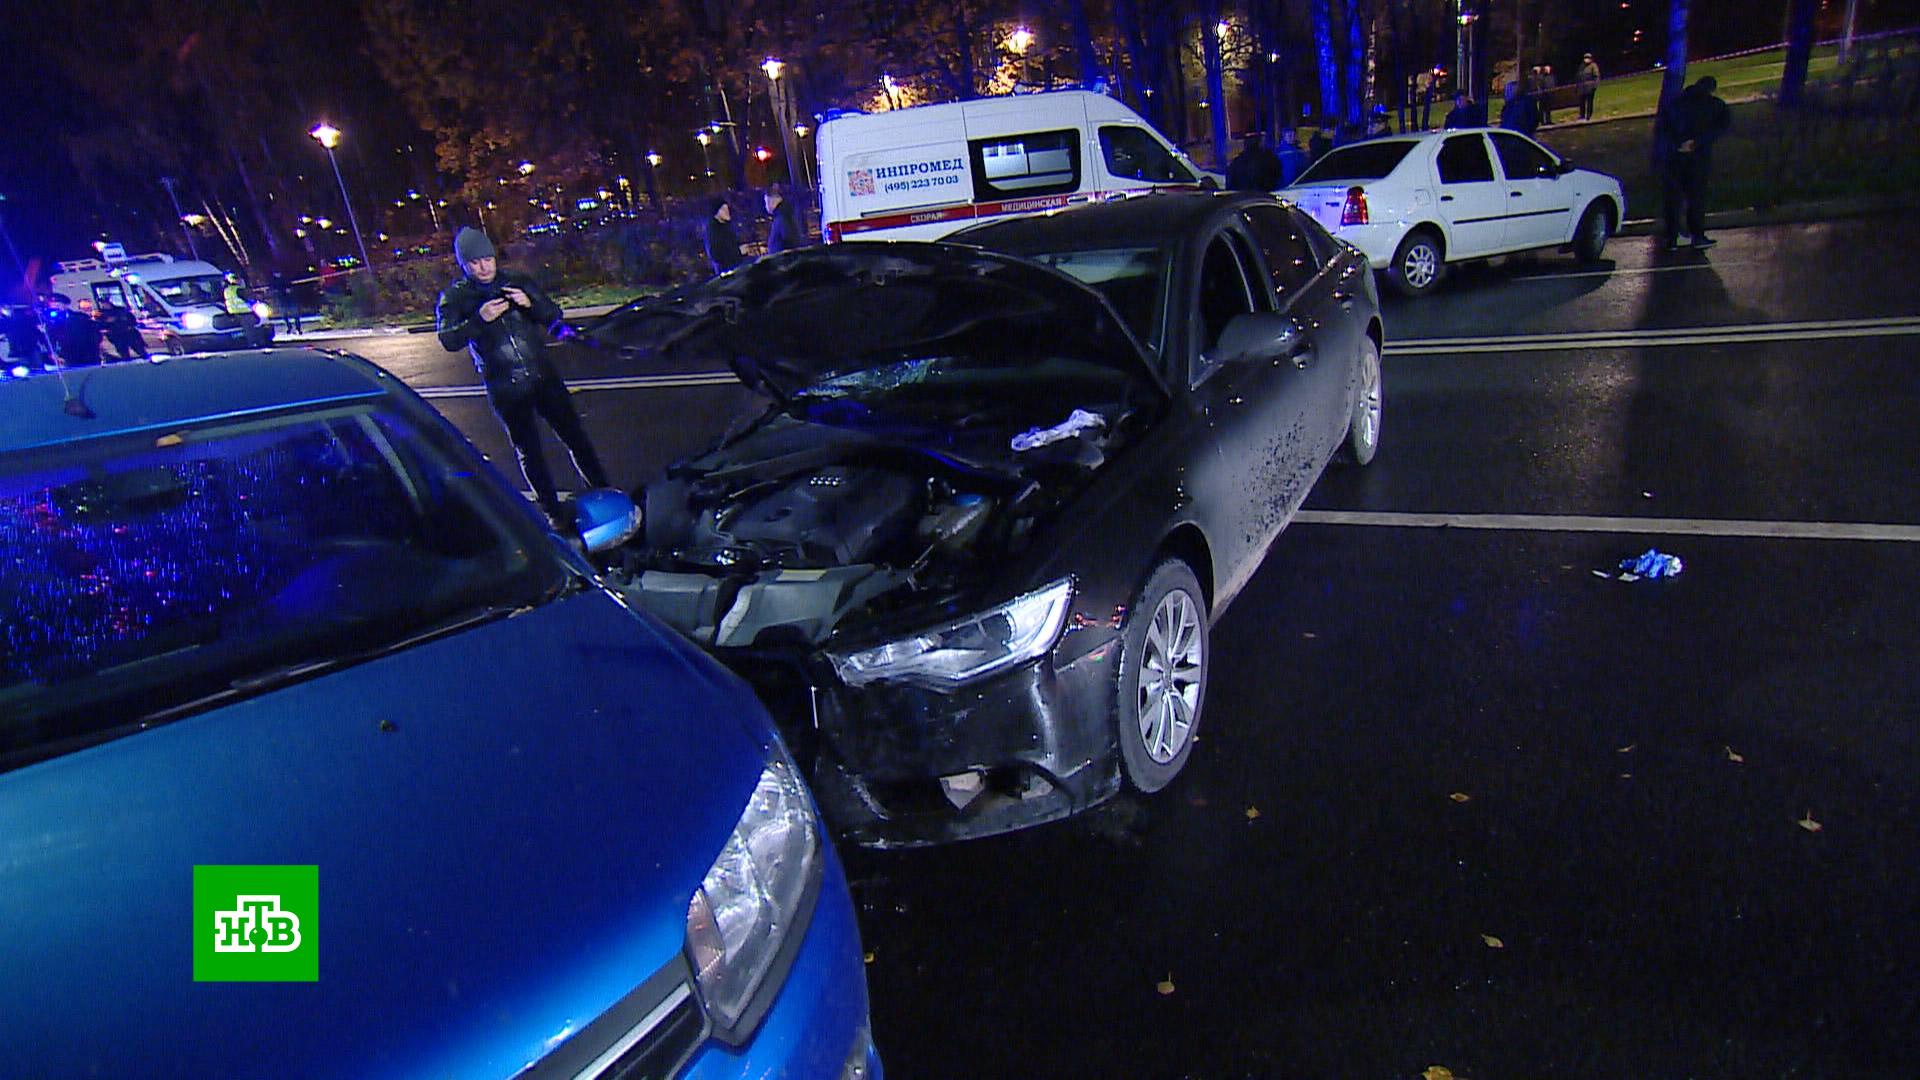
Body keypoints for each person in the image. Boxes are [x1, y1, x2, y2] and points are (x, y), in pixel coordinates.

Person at [435, 227, 609, 525]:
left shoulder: (517, 282)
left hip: (543, 375)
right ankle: (552, 512)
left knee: (575, 436)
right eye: (475, 262)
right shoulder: (456, 297)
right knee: (529, 451)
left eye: (487, 259)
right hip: (505, 386)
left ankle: (605, 493)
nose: (484, 267)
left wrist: (530, 304)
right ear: (464, 265)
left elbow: (552, 314)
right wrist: (479, 319)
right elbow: (448, 339)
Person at [1656, 75, 1732, 251]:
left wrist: (1676, 144)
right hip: (1698, 157)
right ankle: (1697, 235)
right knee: (1696, 197)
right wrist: (1698, 142)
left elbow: (1664, 127)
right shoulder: (1715, 105)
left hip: (1674, 157)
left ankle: (1672, 238)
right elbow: (1722, 127)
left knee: (1673, 198)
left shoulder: (1677, 103)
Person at [703, 197, 745, 276]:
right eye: (723, 209)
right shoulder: (712, 231)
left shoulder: (726, 227)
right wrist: (739, 251)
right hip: (727, 276)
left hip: (736, 271)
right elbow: (716, 255)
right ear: (716, 212)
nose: (727, 211)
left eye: (727, 208)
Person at [98, 296, 148, 361]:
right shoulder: (102, 314)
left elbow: (132, 320)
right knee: (124, 355)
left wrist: (127, 324)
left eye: (105, 302)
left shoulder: (121, 310)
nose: (104, 304)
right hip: (117, 337)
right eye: (102, 303)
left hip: (130, 335)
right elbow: (102, 326)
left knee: (141, 352)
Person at [764, 182, 808, 255]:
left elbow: (789, 240)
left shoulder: (782, 216)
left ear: (771, 201)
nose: (766, 206)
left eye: (766, 202)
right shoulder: (782, 214)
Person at [1578, 54, 1602, 121]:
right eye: (1585, 58)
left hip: (1590, 87)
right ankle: (1582, 115)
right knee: (1582, 102)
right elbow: (1579, 76)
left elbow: (1596, 76)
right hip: (1582, 87)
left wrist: (1595, 86)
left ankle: (1588, 115)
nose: (1586, 59)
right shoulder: (1582, 66)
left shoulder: (1593, 66)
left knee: (1589, 102)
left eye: (1588, 58)